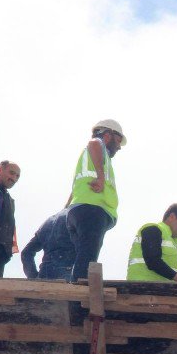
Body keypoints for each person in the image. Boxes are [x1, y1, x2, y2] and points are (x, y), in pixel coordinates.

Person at [67, 119, 125, 282]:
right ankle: (80, 295)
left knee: (83, 255)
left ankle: (77, 288)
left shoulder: (97, 159)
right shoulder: (97, 144)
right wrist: (100, 176)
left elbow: (76, 188)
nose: (119, 147)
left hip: (80, 209)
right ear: (107, 136)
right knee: (87, 256)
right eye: (118, 140)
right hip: (92, 209)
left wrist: (66, 208)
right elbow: (93, 143)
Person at [127, 204, 177, 283]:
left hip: (157, 289)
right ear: (172, 216)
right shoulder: (152, 229)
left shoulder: (171, 241)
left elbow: (168, 269)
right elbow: (153, 261)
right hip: (143, 288)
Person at [20, 210, 76, 280]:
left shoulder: (47, 223)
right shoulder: (76, 218)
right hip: (68, 272)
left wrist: (33, 277)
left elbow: (26, 252)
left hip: (44, 272)